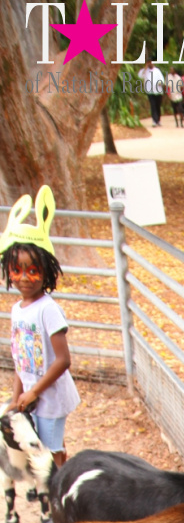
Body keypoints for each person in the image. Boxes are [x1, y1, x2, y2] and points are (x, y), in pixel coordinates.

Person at [1, 190, 80, 474]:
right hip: (32, 394)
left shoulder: (48, 309)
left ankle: (56, 498)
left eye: (33, 271)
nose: (24, 278)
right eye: (16, 270)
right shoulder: (17, 310)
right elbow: (21, 360)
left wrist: (34, 392)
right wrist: (16, 396)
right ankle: (55, 485)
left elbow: (63, 360)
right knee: (39, 446)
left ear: (46, 272)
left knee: (50, 449)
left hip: (50, 396)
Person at [139, 60, 165, 126]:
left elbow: (162, 80)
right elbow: (140, 76)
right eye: (149, 63)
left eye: (151, 63)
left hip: (158, 91)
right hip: (150, 91)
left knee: (157, 106)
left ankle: (158, 120)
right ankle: (154, 120)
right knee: (153, 105)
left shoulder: (157, 70)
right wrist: (145, 68)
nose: (150, 64)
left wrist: (160, 83)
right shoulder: (145, 71)